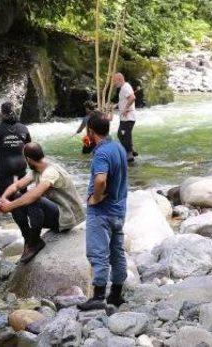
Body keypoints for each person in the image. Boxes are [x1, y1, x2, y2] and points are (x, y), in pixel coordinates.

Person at [0, 143, 85, 264]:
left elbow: (35, 195)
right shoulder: (37, 170)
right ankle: (29, 240)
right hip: (53, 214)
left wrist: (9, 207)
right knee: (16, 197)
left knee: (34, 199)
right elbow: (17, 185)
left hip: (67, 217)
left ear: (28, 159)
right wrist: (3, 199)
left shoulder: (51, 171)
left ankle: (35, 241)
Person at [78, 112, 129, 311]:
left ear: (91, 130)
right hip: (118, 210)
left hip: (101, 212)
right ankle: (116, 294)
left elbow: (100, 179)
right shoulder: (118, 147)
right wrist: (89, 143)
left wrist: (96, 197)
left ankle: (98, 297)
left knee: (98, 253)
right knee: (117, 253)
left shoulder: (101, 154)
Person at [113, 73, 137, 162]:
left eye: (115, 81)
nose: (114, 83)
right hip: (125, 117)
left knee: (123, 134)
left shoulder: (125, 87)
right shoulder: (124, 87)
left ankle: (129, 154)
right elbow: (124, 100)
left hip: (129, 117)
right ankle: (132, 151)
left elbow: (132, 98)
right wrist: (116, 106)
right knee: (123, 134)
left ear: (120, 79)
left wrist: (126, 108)